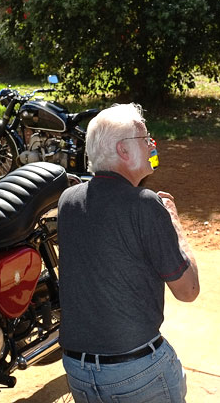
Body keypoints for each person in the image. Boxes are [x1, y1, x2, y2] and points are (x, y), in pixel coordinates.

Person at [57, 103, 200, 403]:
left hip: (77, 370)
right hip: (135, 372)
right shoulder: (144, 204)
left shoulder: (68, 200)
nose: (152, 145)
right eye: (145, 139)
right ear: (123, 150)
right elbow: (188, 290)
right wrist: (173, 220)